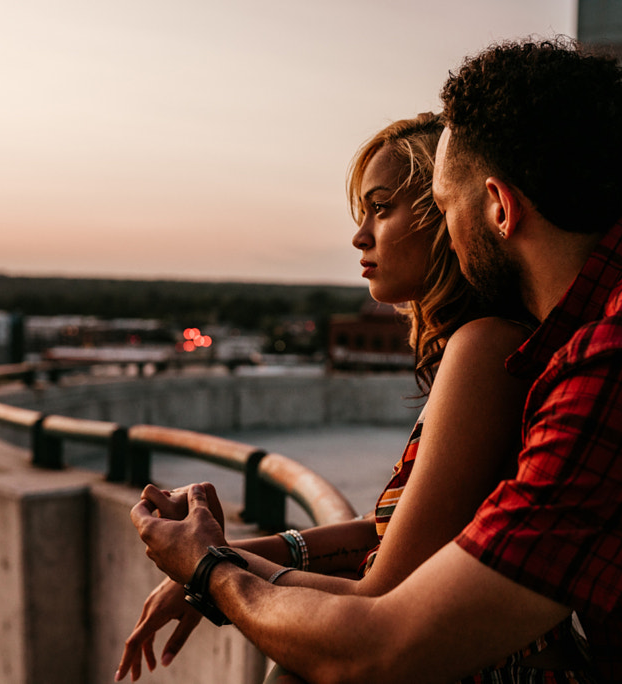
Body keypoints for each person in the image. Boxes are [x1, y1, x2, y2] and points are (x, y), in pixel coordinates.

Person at [127, 37, 622, 683]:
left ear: (498, 207)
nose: (446, 234)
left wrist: (208, 570)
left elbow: (386, 647)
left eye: (444, 207)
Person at [116, 113, 591, 683]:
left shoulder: (488, 346)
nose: (360, 235)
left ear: (444, 212)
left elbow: (379, 595)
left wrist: (210, 568)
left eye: (382, 207)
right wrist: (215, 552)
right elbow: (384, 532)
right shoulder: (486, 344)